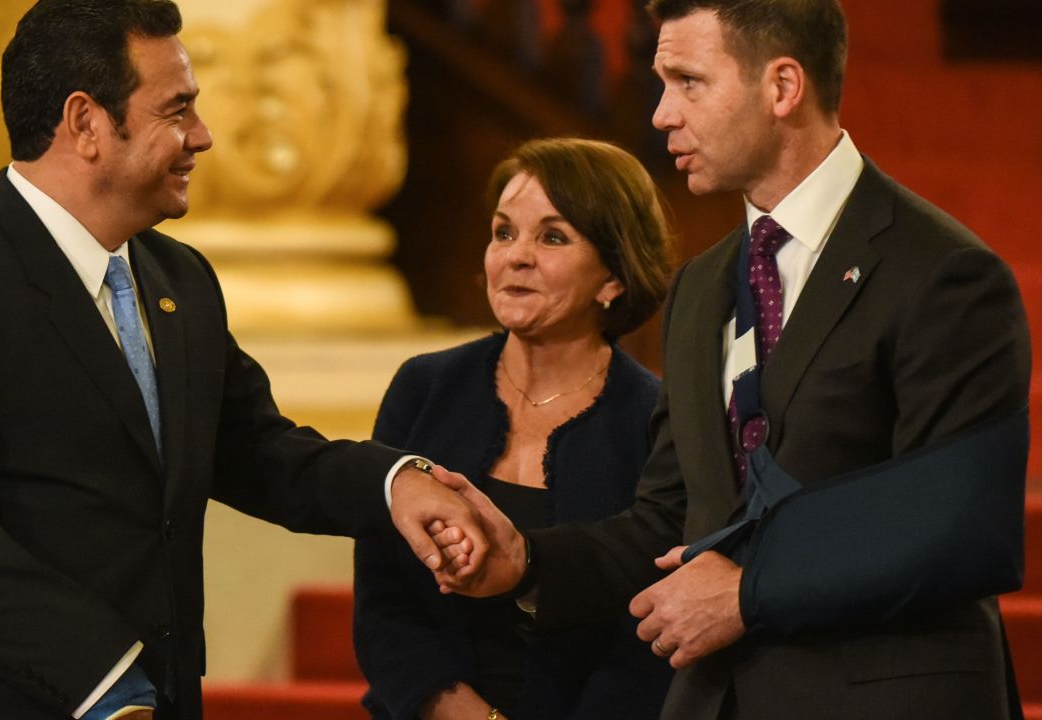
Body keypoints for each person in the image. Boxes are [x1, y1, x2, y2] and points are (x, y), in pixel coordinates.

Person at [0, 2, 484, 719]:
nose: (201, 137)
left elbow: (256, 449)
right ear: (85, 123)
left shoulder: (180, 280)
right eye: (177, 110)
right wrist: (106, 680)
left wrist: (395, 485)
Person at [428, 1, 1032, 719]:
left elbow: (961, 526)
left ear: (781, 88)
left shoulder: (944, 273)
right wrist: (525, 561)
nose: (660, 114)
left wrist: (749, 593)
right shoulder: (703, 285)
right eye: (661, 83)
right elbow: (672, 517)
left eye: (688, 82)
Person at [353, 138, 675, 720]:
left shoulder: (657, 417)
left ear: (614, 277)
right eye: (504, 232)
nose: (515, 256)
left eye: (552, 237)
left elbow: (651, 635)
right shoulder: (423, 387)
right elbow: (384, 601)